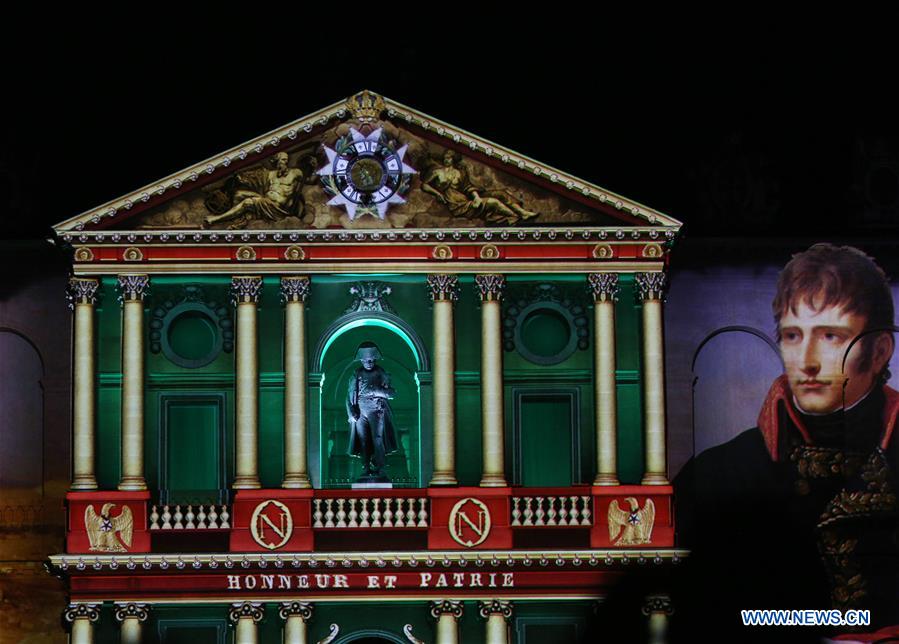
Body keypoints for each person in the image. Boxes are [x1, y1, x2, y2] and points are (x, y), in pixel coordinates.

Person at [672, 243, 898, 642]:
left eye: (831, 336)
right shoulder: (718, 474)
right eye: (793, 336)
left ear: (879, 351)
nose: (807, 361)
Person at [421, 149, 538, 225]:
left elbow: (468, 187)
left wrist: (476, 197)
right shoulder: (437, 172)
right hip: (458, 204)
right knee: (493, 202)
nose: (446, 159)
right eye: (445, 157)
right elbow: (424, 185)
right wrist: (438, 194)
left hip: (468, 198)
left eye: (449, 157)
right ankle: (515, 217)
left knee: (501, 194)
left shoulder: (460, 172)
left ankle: (523, 212)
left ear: (453, 159)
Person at [204, 152, 306, 228]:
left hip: (279, 210)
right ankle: (240, 220)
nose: (286, 162)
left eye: (287, 160)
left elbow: (306, 181)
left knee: (248, 202)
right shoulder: (270, 174)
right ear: (275, 161)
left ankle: (215, 219)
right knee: (239, 194)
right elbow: (259, 187)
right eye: (283, 160)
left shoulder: (296, 173)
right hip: (266, 203)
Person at [346, 342, 398, 481]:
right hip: (361, 411)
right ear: (361, 360)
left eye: (372, 360)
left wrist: (375, 391)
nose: (369, 362)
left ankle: (381, 467)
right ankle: (366, 467)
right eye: (366, 360)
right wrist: (351, 412)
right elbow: (349, 395)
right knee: (364, 441)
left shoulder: (380, 372)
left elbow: (391, 393)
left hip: (377, 410)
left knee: (378, 439)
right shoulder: (357, 373)